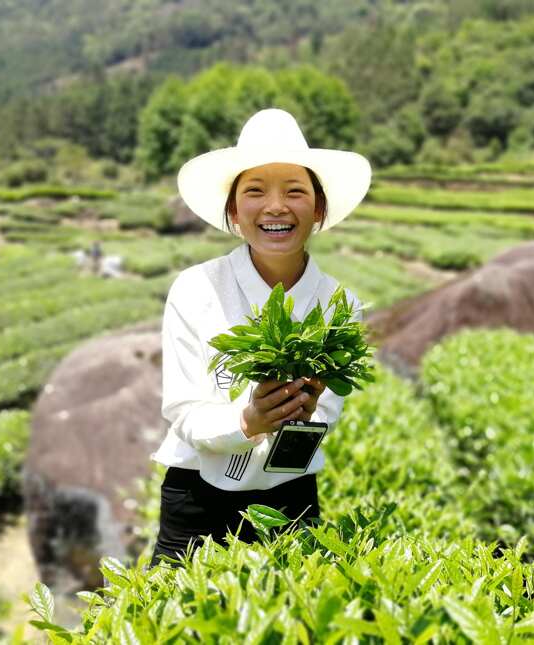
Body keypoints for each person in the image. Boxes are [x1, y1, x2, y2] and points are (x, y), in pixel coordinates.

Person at [148, 108, 371, 568]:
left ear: (319, 209)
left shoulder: (337, 304)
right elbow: (185, 411)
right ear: (232, 210)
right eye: (254, 191)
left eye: (295, 191)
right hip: (195, 501)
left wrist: (301, 412)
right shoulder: (197, 289)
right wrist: (248, 420)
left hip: (290, 496)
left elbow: (326, 413)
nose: (275, 207)